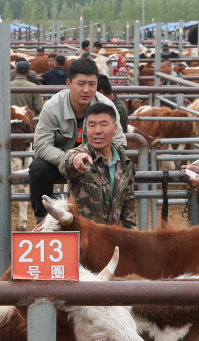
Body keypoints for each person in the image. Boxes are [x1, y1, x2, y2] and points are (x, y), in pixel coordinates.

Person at [29, 58, 125, 221]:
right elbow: (41, 145)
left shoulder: (106, 107)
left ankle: (112, 219)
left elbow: (120, 143)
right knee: (38, 168)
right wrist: (71, 159)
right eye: (81, 83)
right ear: (68, 83)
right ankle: (43, 219)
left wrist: (92, 157)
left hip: (96, 160)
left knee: (122, 165)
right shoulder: (52, 107)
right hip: (59, 160)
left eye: (92, 84)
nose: (87, 89)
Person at [58, 103, 136, 229]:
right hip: (82, 239)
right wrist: (75, 159)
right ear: (86, 129)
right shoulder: (81, 155)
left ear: (115, 129)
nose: (97, 131)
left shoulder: (125, 164)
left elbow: (128, 212)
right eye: (92, 125)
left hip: (111, 240)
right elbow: (66, 163)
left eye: (104, 125)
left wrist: (130, 238)